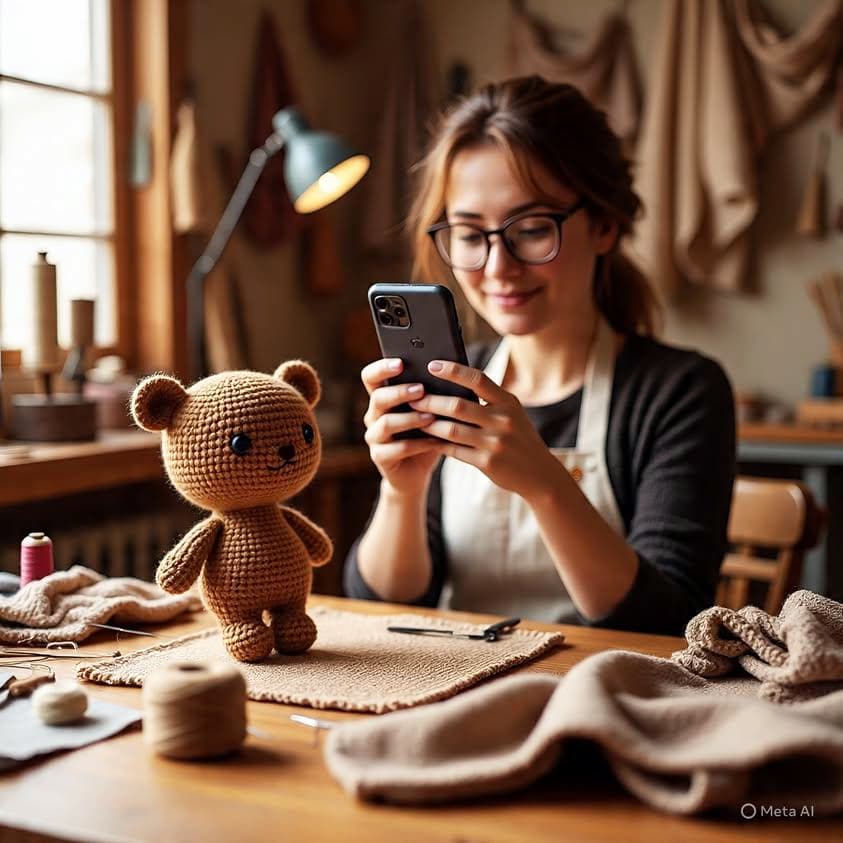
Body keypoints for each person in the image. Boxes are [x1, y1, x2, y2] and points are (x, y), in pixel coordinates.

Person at [344, 76, 736, 635]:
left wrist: (544, 484)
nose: (498, 267)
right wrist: (401, 491)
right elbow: (389, 603)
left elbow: (671, 620)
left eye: (530, 229)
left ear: (604, 225)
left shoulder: (680, 391)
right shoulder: (452, 379)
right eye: (469, 234)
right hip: (455, 692)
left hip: (606, 702)